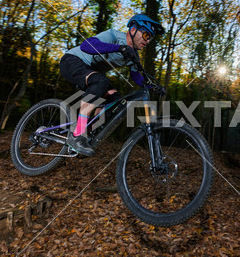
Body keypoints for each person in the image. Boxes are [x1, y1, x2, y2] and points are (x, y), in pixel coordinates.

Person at [60, 14, 165, 156]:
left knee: (117, 102)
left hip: (91, 72)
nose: (147, 41)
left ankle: (88, 130)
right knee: (101, 81)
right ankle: (77, 134)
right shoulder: (114, 35)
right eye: (146, 35)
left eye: (150, 38)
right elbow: (86, 45)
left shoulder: (133, 54)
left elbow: (137, 76)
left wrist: (154, 86)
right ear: (133, 30)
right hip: (72, 61)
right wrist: (119, 48)